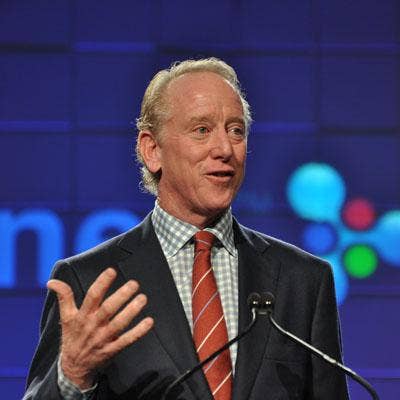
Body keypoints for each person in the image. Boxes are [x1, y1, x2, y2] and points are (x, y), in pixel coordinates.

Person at [23, 58, 349, 400]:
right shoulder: (87, 282)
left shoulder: (304, 281)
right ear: (152, 150)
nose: (225, 149)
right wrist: (72, 374)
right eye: (202, 130)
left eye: (236, 131)